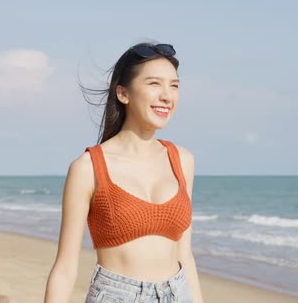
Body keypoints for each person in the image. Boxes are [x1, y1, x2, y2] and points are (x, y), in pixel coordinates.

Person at [44, 42, 204, 303]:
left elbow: (185, 254)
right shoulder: (88, 168)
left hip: (178, 293)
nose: (167, 96)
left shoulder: (183, 160)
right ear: (123, 93)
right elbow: (64, 269)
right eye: (154, 84)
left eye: (174, 85)